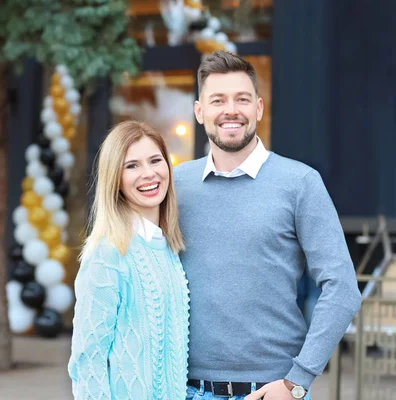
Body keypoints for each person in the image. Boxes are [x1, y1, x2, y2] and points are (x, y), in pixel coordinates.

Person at [174, 51, 362, 400]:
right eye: (218, 100)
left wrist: (297, 380)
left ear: (258, 108)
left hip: (272, 390)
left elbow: (343, 288)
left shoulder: (300, 182)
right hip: (184, 389)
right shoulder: (175, 185)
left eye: (241, 99)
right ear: (200, 111)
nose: (231, 110)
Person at [68, 120, 190, 399]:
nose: (148, 174)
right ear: (116, 180)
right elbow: (88, 361)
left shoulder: (167, 248)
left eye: (155, 161)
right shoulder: (107, 254)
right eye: (132, 166)